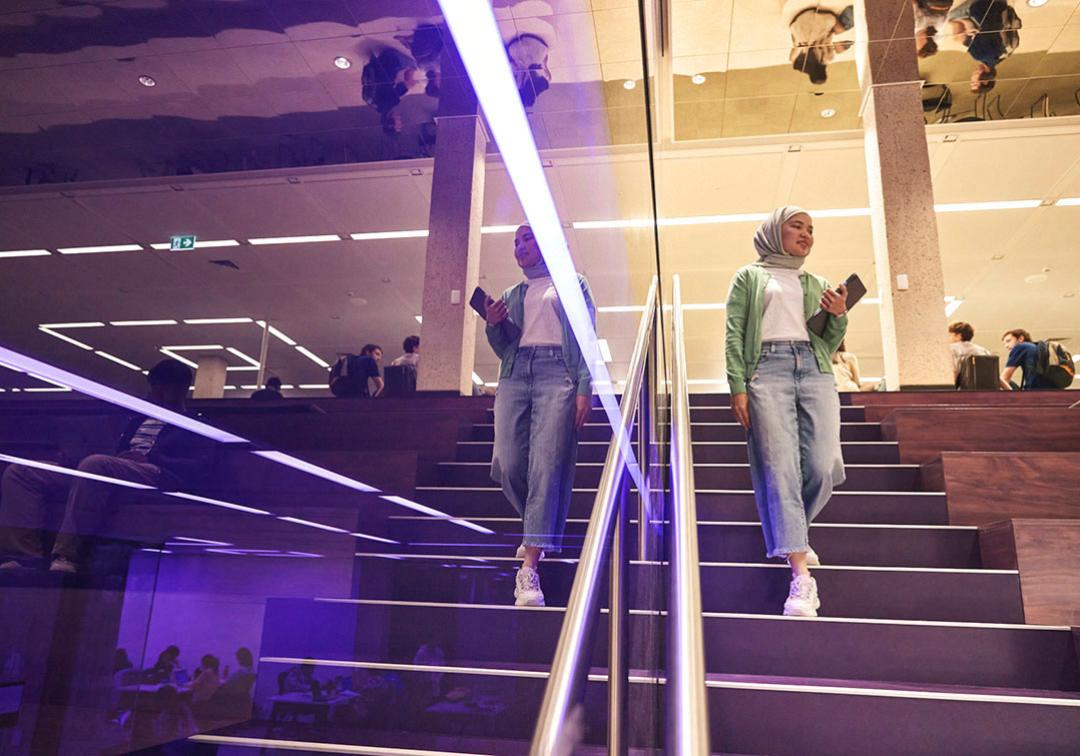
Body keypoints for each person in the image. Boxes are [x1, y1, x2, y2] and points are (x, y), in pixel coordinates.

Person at [725, 206, 848, 618]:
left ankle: (793, 528)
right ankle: (800, 579)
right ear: (774, 231)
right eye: (797, 225)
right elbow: (734, 331)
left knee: (823, 464)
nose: (806, 234)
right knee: (780, 468)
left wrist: (838, 316)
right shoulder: (750, 276)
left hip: (814, 370)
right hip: (767, 369)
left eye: (811, 228)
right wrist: (737, 385)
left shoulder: (816, 282)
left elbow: (827, 342)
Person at [0, 359, 214, 574]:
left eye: (161, 389)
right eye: (154, 389)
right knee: (21, 472)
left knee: (96, 464)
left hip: (155, 475)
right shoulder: (136, 420)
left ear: (179, 390)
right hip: (110, 468)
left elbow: (197, 469)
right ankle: (23, 556)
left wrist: (150, 460)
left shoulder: (195, 425)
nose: (154, 395)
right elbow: (108, 453)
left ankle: (68, 555)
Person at [485, 224, 594, 607]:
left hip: (557, 372)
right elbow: (504, 349)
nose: (520, 246)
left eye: (527, 238)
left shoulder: (572, 283)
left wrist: (584, 386)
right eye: (515, 242)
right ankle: (539, 527)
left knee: (547, 465)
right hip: (515, 374)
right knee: (508, 462)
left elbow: (584, 335)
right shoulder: (512, 294)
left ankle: (529, 569)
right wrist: (494, 324)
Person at [945, 0, 1021, 92]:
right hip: (982, 6)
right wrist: (955, 22)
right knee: (949, 17)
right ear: (985, 81)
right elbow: (969, 27)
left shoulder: (1002, 56)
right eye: (974, 83)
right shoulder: (980, 55)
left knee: (958, 38)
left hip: (1002, 6)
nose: (971, 79)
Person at [782, 2, 855, 85]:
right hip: (798, 21)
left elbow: (837, 45)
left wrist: (837, 47)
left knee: (842, 28)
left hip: (819, 17)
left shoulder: (826, 59)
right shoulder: (795, 61)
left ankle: (857, 8)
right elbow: (794, 42)